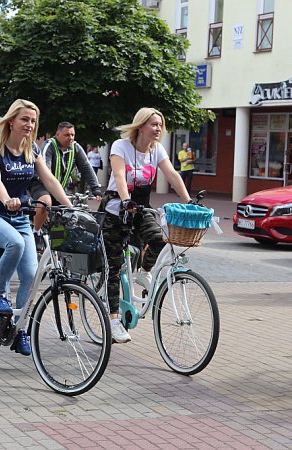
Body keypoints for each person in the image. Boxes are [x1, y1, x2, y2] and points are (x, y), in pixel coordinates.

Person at [0, 99, 72, 356]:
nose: (29, 125)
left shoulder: (33, 150)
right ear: (11, 121)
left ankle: (20, 331)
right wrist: (7, 198)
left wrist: (70, 206)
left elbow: (49, 180)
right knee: (15, 244)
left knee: (31, 277)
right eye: (24, 119)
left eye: (33, 120)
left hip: (19, 218)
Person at [100, 107, 193, 344]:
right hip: (116, 209)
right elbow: (119, 175)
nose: (158, 129)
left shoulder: (156, 149)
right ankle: (112, 320)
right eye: (154, 124)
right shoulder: (121, 146)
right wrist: (124, 200)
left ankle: (143, 271)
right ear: (141, 125)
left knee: (160, 239)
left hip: (141, 208)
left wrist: (189, 202)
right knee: (114, 267)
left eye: (160, 125)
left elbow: (172, 174)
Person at [29, 122, 102, 250]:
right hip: (40, 184)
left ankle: (54, 253)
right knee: (45, 202)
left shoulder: (75, 148)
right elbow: (45, 172)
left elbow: (86, 167)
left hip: (58, 188)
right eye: (67, 134)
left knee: (63, 219)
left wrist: (96, 189)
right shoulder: (49, 146)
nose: (71, 137)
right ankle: (36, 232)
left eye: (73, 134)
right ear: (57, 135)